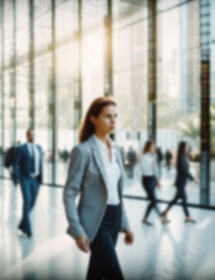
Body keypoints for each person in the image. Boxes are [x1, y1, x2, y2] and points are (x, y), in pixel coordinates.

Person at [63, 96, 134, 280]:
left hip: (114, 217)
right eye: (107, 116)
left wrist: (125, 224)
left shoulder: (117, 149)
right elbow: (70, 194)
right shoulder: (83, 151)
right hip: (96, 221)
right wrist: (78, 230)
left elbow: (117, 192)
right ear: (93, 119)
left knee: (95, 273)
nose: (113, 121)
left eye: (115, 116)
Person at [13, 130, 43, 238]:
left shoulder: (39, 148)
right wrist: (19, 177)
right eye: (31, 134)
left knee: (32, 203)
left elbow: (40, 163)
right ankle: (28, 229)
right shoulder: (21, 148)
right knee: (27, 201)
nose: (33, 136)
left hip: (36, 180)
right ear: (27, 135)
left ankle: (22, 224)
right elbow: (15, 164)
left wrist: (40, 178)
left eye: (34, 134)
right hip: (25, 179)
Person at [161, 141, 198, 224]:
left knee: (175, 200)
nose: (187, 148)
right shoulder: (181, 157)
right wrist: (193, 179)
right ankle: (187, 217)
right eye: (186, 147)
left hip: (181, 183)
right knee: (184, 200)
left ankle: (165, 212)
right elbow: (185, 171)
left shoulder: (183, 156)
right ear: (183, 148)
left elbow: (185, 169)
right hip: (180, 183)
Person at [141, 140, 161, 225]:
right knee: (153, 200)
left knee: (154, 200)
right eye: (153, 146)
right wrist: (152, 164)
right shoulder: (144, 157)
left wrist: (157, 181)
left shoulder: (152, 157)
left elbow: (155, 171)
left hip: (152, 179)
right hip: (147, 179)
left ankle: (146, 218)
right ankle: (160, 217)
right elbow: (144, 170)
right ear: (148, 147)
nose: (154, 148)